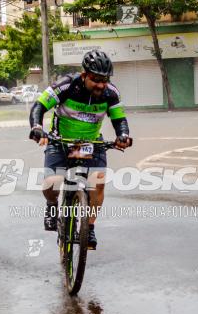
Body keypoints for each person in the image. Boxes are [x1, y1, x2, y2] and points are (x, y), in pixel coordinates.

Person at [29, 50, 132, 250]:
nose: (101, 85)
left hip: (91, 143)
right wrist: (37, 127)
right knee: (52, 183)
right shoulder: (66, 85)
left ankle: (89, 227)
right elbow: (39, 107)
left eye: (105, 80)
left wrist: (123, 136)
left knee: (98, 184)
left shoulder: (111, 93)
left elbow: (120, 120)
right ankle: (52, 206)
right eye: (96, 80)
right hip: (60, 141)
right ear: (84, 75)